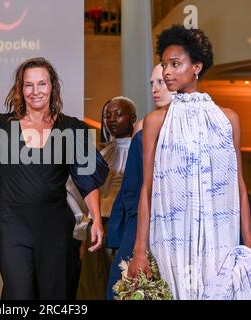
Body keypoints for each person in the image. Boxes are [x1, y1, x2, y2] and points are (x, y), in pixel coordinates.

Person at [128, 25, 251, 300]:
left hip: (220, 242)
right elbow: (147, 188)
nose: (167, 72)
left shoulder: (227, 119)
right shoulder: (155, 122)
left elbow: (239, 186)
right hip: (171, 240)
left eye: (175, 64)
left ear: (196, 66)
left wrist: (250, 246)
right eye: (164, 65)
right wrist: (139, 250)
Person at [0, 57, 108, 300]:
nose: (35, 91)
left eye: (42, 84)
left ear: (53, 87)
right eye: (29, 85)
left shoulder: (71, 128)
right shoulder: (2, 126)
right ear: (20, 88)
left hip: (54, 224)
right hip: (10, 223)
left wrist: (96, 219)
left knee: (54, 294)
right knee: (19, 294)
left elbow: (86, 177)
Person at [105, 64, 173, 299]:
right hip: (140, 225)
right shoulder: (143, 128)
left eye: (161, 82)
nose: (155, 88)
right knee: (122, 289)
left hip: (177, 228)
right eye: (152, 83)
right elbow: (131, 190)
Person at [76, 97, 136, 300]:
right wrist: (82, 217)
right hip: (98, 222)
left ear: (132, 117)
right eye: (107, 115)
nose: (112, 119)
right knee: (93, 282)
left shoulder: (142, 151)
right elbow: (76, 185)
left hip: (128, 225)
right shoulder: (101, 153)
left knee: (123, 280)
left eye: (118, 114)